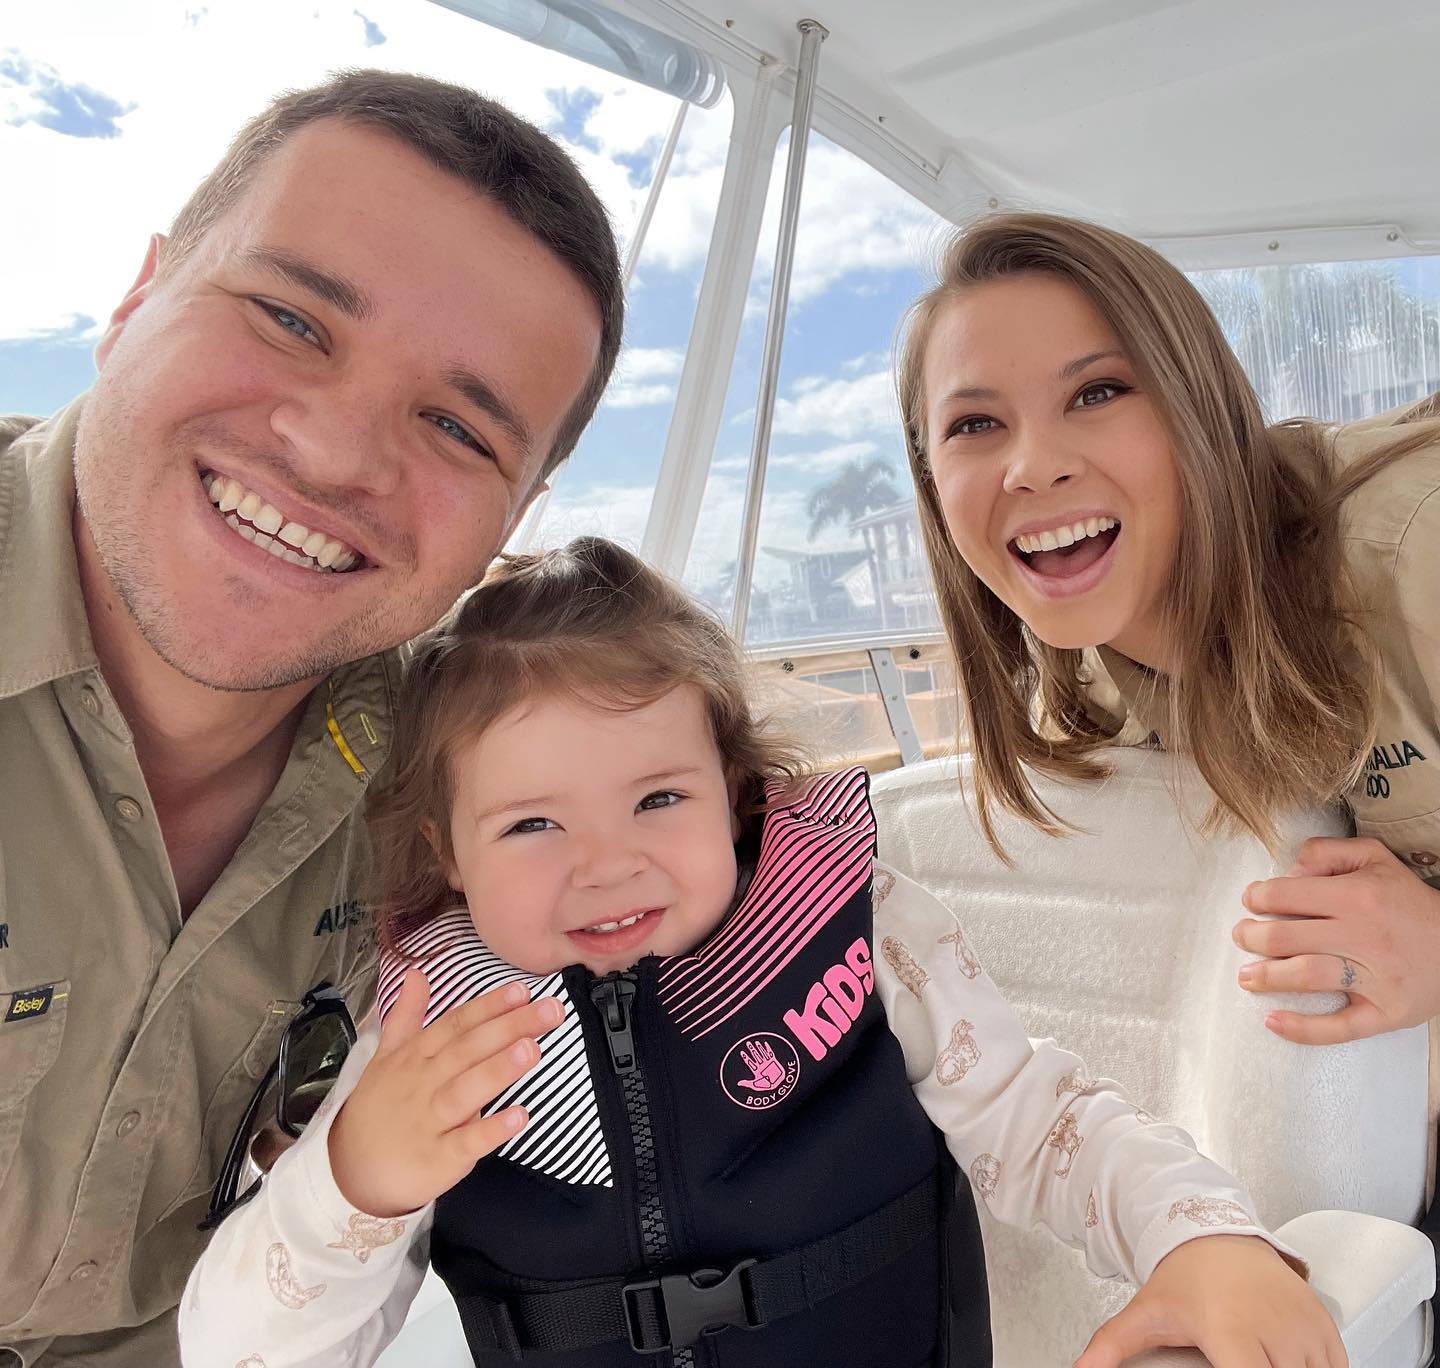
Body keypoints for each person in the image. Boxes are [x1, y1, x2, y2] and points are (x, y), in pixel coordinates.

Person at [179, 537, 1344, 1368]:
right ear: (448, 849)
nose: (605, 865)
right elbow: (241, 1351)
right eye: (533, 824)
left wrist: (1206, 1240)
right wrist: (354, 1188)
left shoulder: (862, 930)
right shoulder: (427, 1036)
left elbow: (1050, 1124)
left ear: (733, 794)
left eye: (657, 799)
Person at [0, 69, 623, 1367]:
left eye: (457, 424)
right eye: (289, 318)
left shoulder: (456, 791)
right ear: (134, 300)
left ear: (515, 521)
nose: (338, 456)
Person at [896, 211, 1440, 1048]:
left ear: (1204, 405)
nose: (1034, 465)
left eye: (1098, 392)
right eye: (973, 425)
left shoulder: (1414, 548)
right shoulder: (1083, 696)